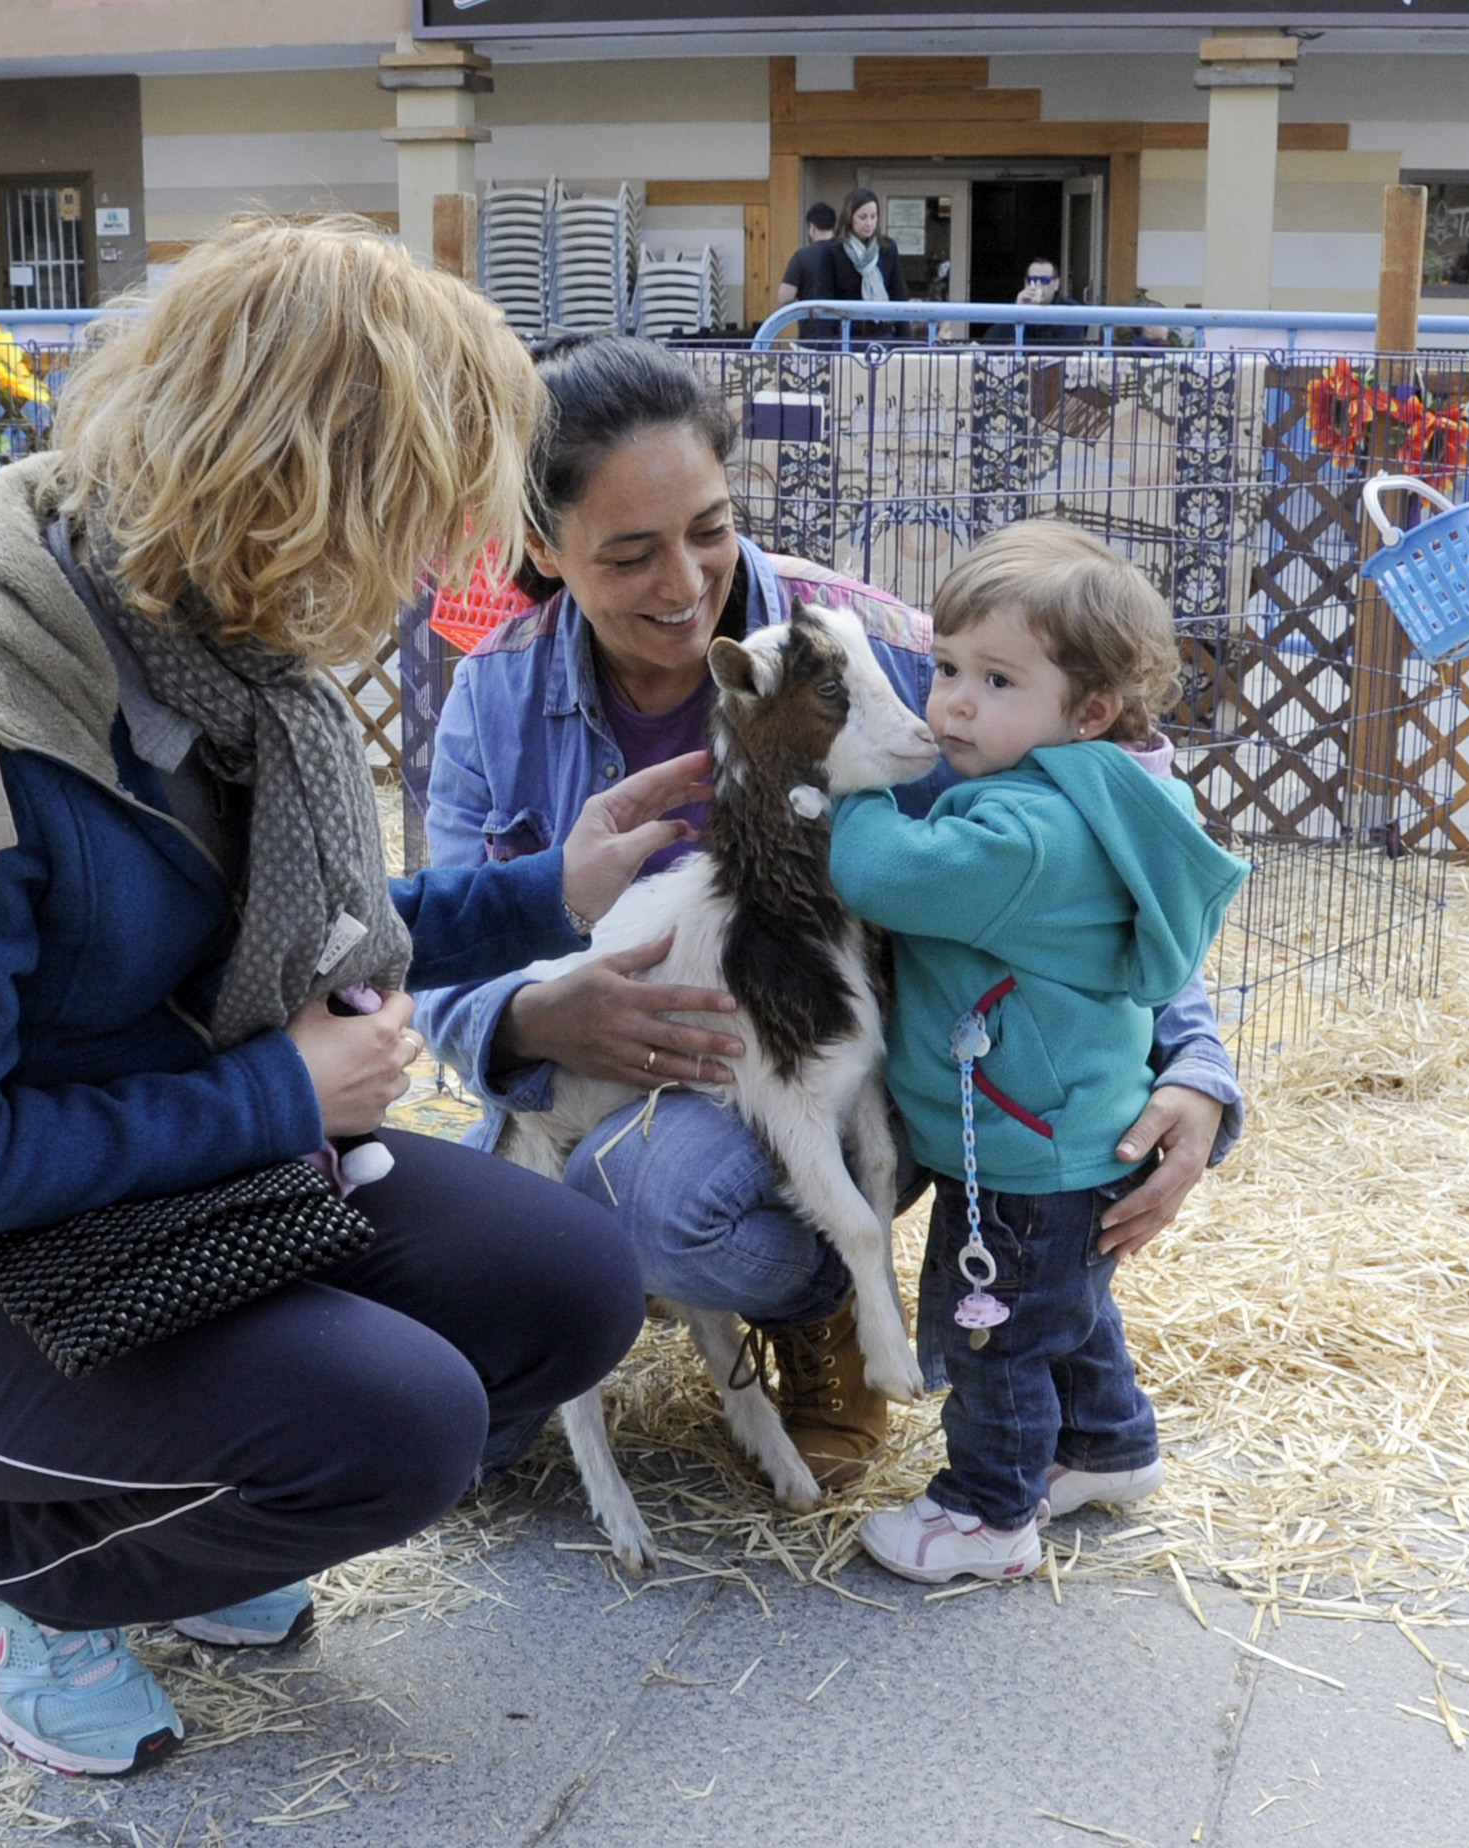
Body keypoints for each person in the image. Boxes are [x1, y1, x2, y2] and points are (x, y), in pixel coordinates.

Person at [0, 219, 685, 1780]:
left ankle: (192, 1525)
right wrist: (283, 1096)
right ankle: (26, 1572)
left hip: (183, 1193)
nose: (429, 571)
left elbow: (279, 939)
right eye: (410, 517)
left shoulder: (220, 654)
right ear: (295, 490)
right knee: (391, 1431)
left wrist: (553, 895)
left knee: (572, 1288)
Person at [417, 337, 1245, 1499]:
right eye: (629, 553)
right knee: (446, 1398)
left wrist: (1197, 1066)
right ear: (542, 549)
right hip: (592, 1075)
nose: (683, 582)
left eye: (708, 527)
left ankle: (813, 1308)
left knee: (655, 1196)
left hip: (819, 1074)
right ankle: (614, 1299)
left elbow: (1088, 852)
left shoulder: (880, 650)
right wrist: (538, 1019)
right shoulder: (494, 693)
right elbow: (441, 967)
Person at [829, 522, 1247, 1583]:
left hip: (1011, 1155)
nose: (954, 702)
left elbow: (878, 875)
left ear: (1089, 710)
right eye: (948, 669)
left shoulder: (1022, 837)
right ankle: (1109, 1447)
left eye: (998, 680)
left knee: (995, 1338)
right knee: (1072, 1308)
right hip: (1072, 1137)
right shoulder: (1102, 804)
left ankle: (990, 1512)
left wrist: (854, 781)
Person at [801, 187, 908, 345]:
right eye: (862, 217)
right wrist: (825, 346)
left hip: (882, 334)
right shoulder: (832, 251)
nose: (869, 223)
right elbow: (824, 299)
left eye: (873, 216)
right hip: (844, 338)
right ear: (850, 217)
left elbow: (898, 294)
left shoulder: (887, 248)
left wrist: (905, 342)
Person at [775, 200, 838, 310]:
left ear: (812, 228)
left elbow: (784, 296)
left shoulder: (801, 257)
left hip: (813, 323)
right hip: (844, 323)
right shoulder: (846, 253)